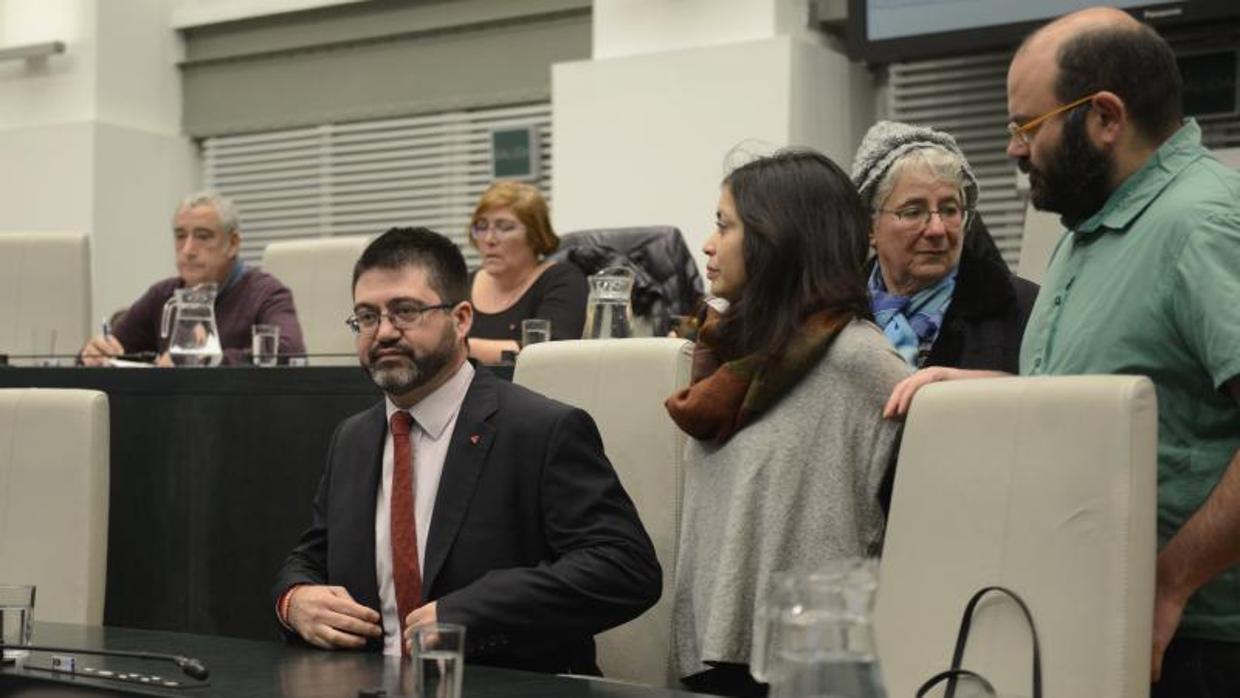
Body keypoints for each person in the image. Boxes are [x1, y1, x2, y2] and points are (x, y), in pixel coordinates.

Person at [884, 8, 1240, 696]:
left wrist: (1170, 582)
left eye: (1027, 126)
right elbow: (1124, 399)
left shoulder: (1205, 226)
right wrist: (994, 390)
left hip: (1196, 644)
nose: (1014, 149)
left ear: (1105, 116)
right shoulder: (1091, 225)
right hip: (1100, 617)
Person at [272, 226, 660, 674]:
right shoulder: (353, 438)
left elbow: (626, 569)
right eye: (366, 316)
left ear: (460, 319)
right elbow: (311, 556)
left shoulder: (541, 429)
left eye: (405, 311)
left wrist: (474, 612)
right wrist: (293, 599)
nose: (383, 332)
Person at [665, 150, 910, 696]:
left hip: (802, 668)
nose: (707, 244)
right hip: (712, 657)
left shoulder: (857, 360)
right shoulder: (731, 358)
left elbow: (910, 536)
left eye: (725, 226)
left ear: (777, 238)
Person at [851, 121, 1038, 371]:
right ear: (870, 226)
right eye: (913, 212)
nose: (937, 229)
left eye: (950, 210)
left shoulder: (1025, 310)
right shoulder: (833, 319)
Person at [79, 191, 305, 365]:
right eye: (180, 236)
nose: (188, 249)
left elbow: (289, 353)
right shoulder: (163, 295)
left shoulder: (266, 293)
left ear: (233, 243)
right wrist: (93, 355)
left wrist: (207, 361)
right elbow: (114, 347)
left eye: (202, 236)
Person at [466, 181, 587, 362]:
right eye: (481, 227)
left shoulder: (562, 280)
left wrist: (459, 347)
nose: (489, 239)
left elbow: (551, 353)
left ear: (535, 235)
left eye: (505, 227)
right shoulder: (461, 283)